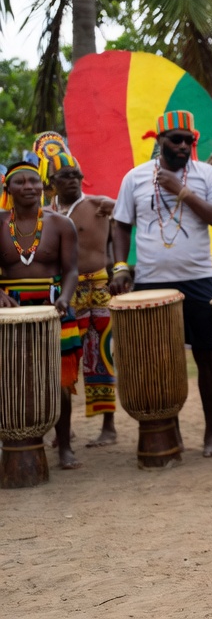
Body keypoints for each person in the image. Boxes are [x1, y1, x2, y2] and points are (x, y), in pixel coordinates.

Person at [109, 110, 212, 458]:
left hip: (199, 278)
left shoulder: (208, 175)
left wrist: (182, 192)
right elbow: (121, 225)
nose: (182, 146)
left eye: (188, 140)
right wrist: (121, 267)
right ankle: (170, 432)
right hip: (151, 283)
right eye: (175, 140)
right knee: (160, 360)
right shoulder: (134, 178)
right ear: (159, 141)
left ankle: (211, 433)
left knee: (207, 357)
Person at [38, 136, 119, 446]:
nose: (73, 180)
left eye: (77, 175)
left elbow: (128, 215)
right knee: (65, 358)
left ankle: (108, 427)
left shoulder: (100, 205)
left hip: (99, 287)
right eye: (65, 176)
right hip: (64, 292)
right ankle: (64, 428)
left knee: (102, 355)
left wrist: (118, 267)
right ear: (52, 182)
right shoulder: (45, 214)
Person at [0, 162, 81, 468]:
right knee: (11, 375)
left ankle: (64, 446)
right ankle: (15, 439)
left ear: (43, 186)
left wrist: (65, 298)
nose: (28, 187)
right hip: (10, 307)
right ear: (8, 189)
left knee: (59, 379)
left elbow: (71, 270)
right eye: (20, 182)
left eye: (33, 181)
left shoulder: (61, 224)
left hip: (53, 304)